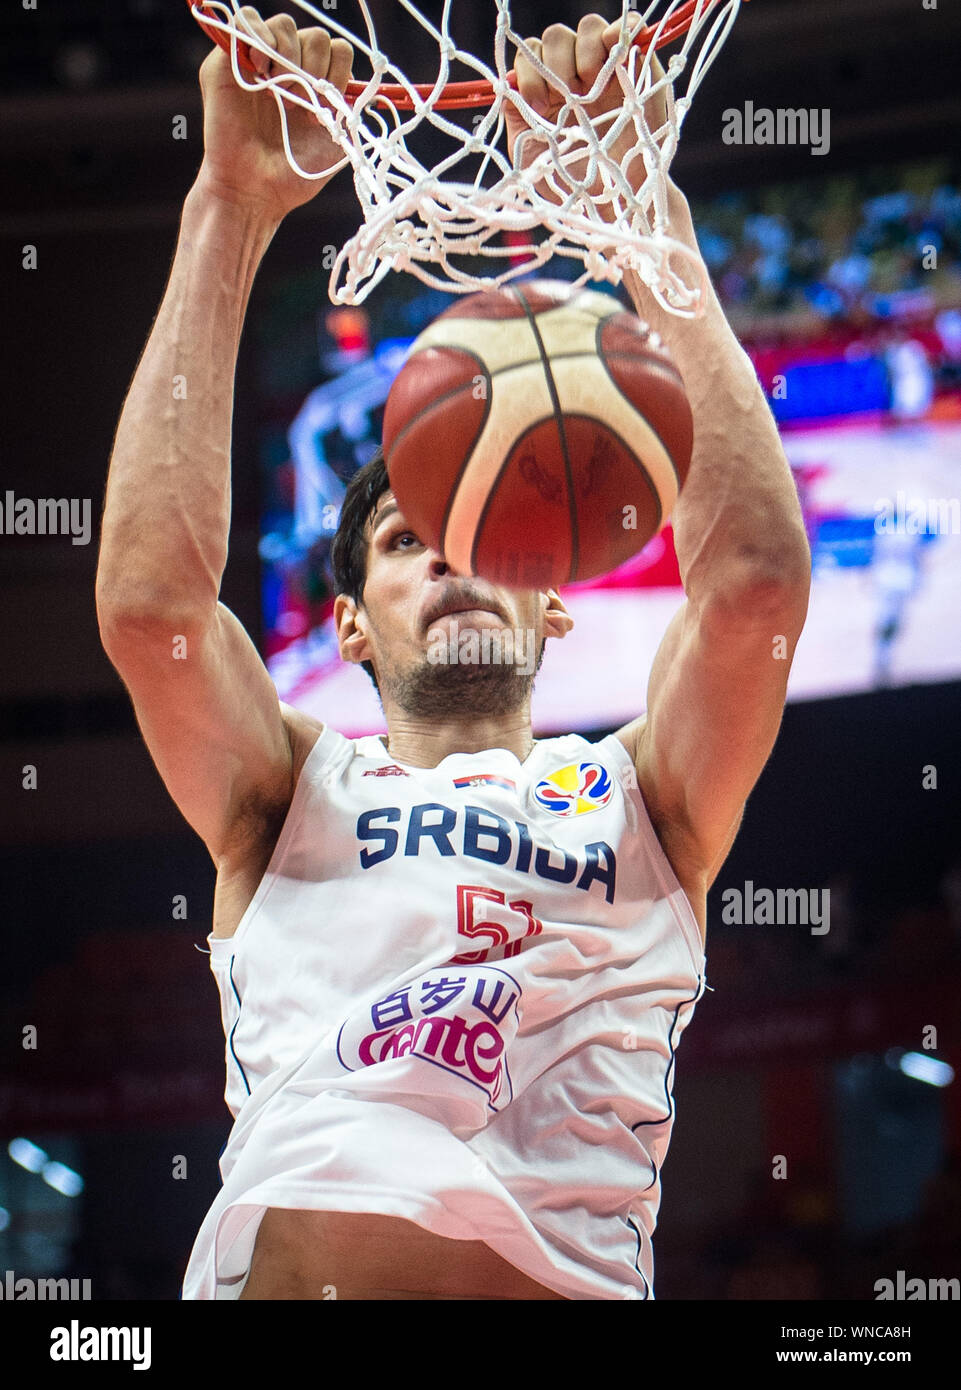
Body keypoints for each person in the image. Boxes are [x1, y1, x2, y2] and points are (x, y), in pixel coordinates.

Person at [95, 7, 811, 1300]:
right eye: (404, 537)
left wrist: (641, 214)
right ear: (351, 625)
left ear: (553, 598)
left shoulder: (646, 801)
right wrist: (229, 206)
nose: (452, 555)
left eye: (483, 535)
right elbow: (154, 613)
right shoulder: (286, 794)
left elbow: (753, 589)